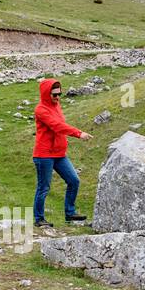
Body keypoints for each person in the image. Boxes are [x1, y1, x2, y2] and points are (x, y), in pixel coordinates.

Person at [32, 78, 91, 229]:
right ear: (46, 94)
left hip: (59, 153)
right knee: (43, 187)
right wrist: (78, 133)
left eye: (59, 94)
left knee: (74, 180)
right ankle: (39, 218)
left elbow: (60, 125)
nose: (57, 97)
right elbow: (57, 126)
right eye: (54, 95)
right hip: (44, 154)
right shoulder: (41, 110)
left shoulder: (56, 105)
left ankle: (70, 213)